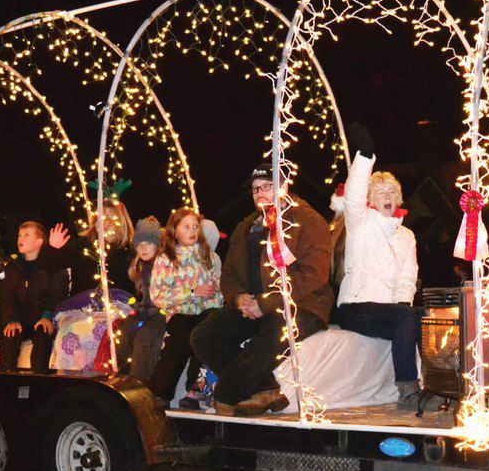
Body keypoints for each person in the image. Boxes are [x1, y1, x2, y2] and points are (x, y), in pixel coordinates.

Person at [191, 163, 333, 416]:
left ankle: (227, 393)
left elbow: (314, 275)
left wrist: (265, 303)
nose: (261, 193)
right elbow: (231, 274)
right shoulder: (247, 226)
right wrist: (238, 299)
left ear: (284, 187)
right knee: (205, 334)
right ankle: (266, 390)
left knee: (272, 334)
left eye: (268, 186)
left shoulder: (308, 221)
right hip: (253, 304)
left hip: (303, 303)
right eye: (256, 189)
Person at [334, 124, 422, 406]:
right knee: (405, 317)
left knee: (425, 317)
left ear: (399, 198)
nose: (387, 197)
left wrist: (404, 306)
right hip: (355, 307)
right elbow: (353, 196)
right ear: (371, 199)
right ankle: (409, 389)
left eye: (392, 192)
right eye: (380, 192)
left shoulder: (407, 235)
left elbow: (408, 276)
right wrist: (365, 155)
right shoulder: (360, 222)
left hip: (388, 311)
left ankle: (438, 385)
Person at [146, 208, 223, 408]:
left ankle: (196, 391)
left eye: (195, 226)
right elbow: (158, 295)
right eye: (186, 226)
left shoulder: (209, 257)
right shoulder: (166, 258)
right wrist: (191, 292)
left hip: (206, 310)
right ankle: (160, 392)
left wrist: (214, 292)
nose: (192, 231)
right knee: (179, 339)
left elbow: (218, 287)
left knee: (204, 335)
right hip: (180, 310)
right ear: (175, 230)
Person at [0, 221, 69, 373]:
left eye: (26, 235)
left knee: (42, 333)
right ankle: (6, 378)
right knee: (9, 335)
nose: (20, 239)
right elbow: (6, 296)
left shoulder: (50, 265)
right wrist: (12, 319)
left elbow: (57, 293)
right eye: (19, 236)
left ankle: (39, 376)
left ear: (39, 242)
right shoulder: (13, 267)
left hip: (41, 316)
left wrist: (47, 316)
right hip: (21, 317)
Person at [113, 217, 166, 382]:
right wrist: (137, 307)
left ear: (157, 245)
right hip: (146, 311)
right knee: (122, 332)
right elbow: (145, 297)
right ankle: (123, 374)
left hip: (162, 312)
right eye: (139, 243)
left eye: (149, 243)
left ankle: (140, 381)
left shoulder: (164, 265)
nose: (143, 247)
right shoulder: (141, 267)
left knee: (145, 337)